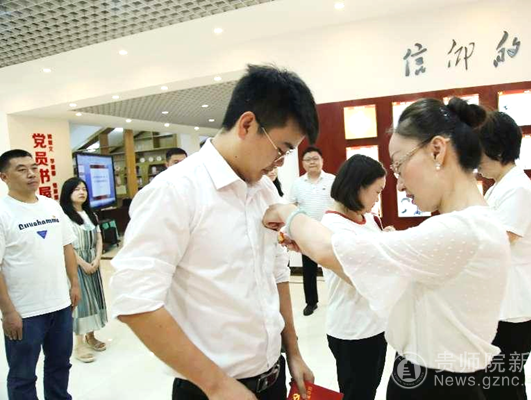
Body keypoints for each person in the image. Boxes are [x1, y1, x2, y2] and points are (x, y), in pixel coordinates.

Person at [263, 98, 512, 400]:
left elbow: (333, 249)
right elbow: (359, 262)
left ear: (437, 150)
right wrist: (309, 242)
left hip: (433, 387)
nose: (400, 185)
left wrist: (288, 212)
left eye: (399, 165)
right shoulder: (474, 223)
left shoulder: (461, 230)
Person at [110, 64, 319, 400]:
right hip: (210, 390)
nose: (279, 163)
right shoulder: (175, 190)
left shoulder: (265, 190)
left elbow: (277, 273)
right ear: (247, 125)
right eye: (281, 149)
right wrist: (217, 386)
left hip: (273, 378)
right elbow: (135, 300)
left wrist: (292, 351)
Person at [477, 111, 531, 400]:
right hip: (499, 302)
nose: (475, 160)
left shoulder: (518, 188)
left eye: (478, 151)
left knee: (504, 386)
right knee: (498, 384)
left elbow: (498, 241)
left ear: (497, 150)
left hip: (513, 306)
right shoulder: (499, 187)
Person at [0, 149, 81, 399]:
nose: (32, 174)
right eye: (22, 169)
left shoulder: (51, 205)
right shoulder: (3, 212)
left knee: (60, 365)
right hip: (25, 312)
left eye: (34, 168)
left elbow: (66, 246)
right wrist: (8, 312)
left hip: (60, 305)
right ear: (4, 177)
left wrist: (74, 284)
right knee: (23, 376)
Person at [322, 154, 388, 400]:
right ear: (358, 187)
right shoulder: (333, 226)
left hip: (376, 324)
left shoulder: (368, 218)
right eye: (376, 191)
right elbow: (364, 276)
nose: (377, 199)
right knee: (357, 393)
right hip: (352, 329)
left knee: (369, 388)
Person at [59, 177, 108, 364]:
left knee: (95, 299)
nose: (82, 192)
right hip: (76, 264)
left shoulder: (91, 214)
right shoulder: (64, 216)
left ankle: (91, 336)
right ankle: (78, 344)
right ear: (68, 193)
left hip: (93, 262)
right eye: (77, 189)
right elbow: (67, 246)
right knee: (81, 304)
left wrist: (97, 259)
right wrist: (83, 263)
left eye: (84, 189)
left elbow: (99, 239)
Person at [289, 146, 335, 316]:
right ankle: (311, 302)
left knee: (334, 268)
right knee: (308, 270)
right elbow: (293, 206)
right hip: (307, 233)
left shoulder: (332, 180)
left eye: (315, 158)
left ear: (322, 161)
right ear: (303, 163)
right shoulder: (297, 184)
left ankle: (337, 301)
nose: (312, 162)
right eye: (308, 160)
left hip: (329, 231)